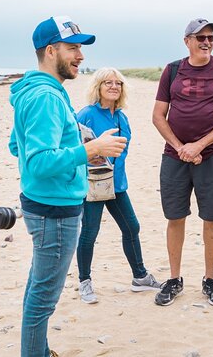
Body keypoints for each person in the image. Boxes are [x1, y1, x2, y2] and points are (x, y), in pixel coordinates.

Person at [9, 16, 126, 356]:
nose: (80, 56)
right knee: (42, 301)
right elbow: (38, 162)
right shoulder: (45, 97)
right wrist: (90, 150)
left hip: (43, 204)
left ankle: (40, 351)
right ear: (50, 51)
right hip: (54, 211)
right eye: (73, 48)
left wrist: (74, 149)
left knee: (38, 291)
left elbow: (17, 147)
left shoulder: (35, 92)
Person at [152, 18, 213, 307]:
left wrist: (199, 145)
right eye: (200, 37)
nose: (206, 42)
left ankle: (210, 279)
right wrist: (181, 148)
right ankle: (175, 278)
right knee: (175, 217)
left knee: (211, 218)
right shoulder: (172, 70)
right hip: (174, 156)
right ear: (186, 40)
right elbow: (158, 116)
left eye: (211, 38)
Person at [75, 67, 161, 304]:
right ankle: (84, 282)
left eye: (118, 83)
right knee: (90, 233)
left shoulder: (121, 117)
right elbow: (74, 147)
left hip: (117, 185)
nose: (114, 86)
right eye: (108, 83)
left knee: (131, 227)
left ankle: (140, 277)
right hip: (92, 184)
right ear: (98, 87)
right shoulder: (86, 114)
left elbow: (123, 152)